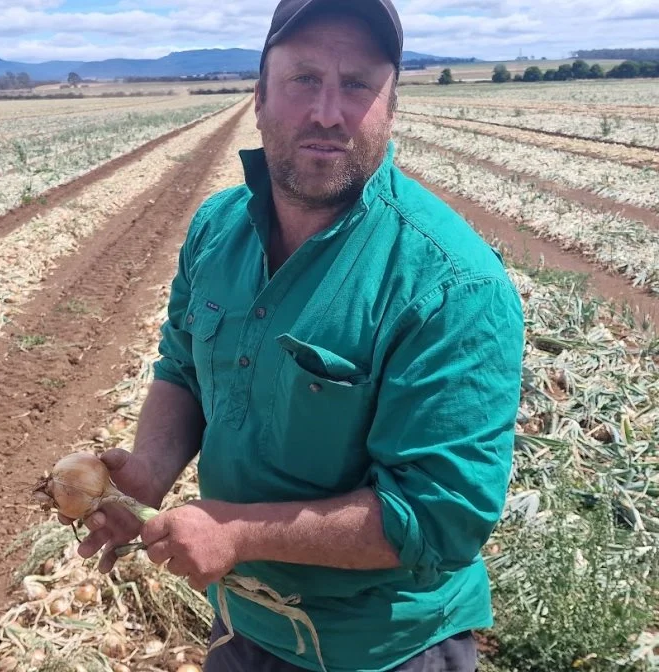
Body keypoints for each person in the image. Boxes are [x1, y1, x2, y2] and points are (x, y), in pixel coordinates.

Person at [69, 1, 526, 671]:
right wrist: (145, 474)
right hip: (240, 621)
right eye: (304, 79)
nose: (328, 112)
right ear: (258, 97)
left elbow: (437, 516)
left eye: (358, 85)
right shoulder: (216, 229)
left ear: (392, 106)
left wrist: (235, 532)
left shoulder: (454, 287)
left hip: (382, 649)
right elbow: (185, 368)